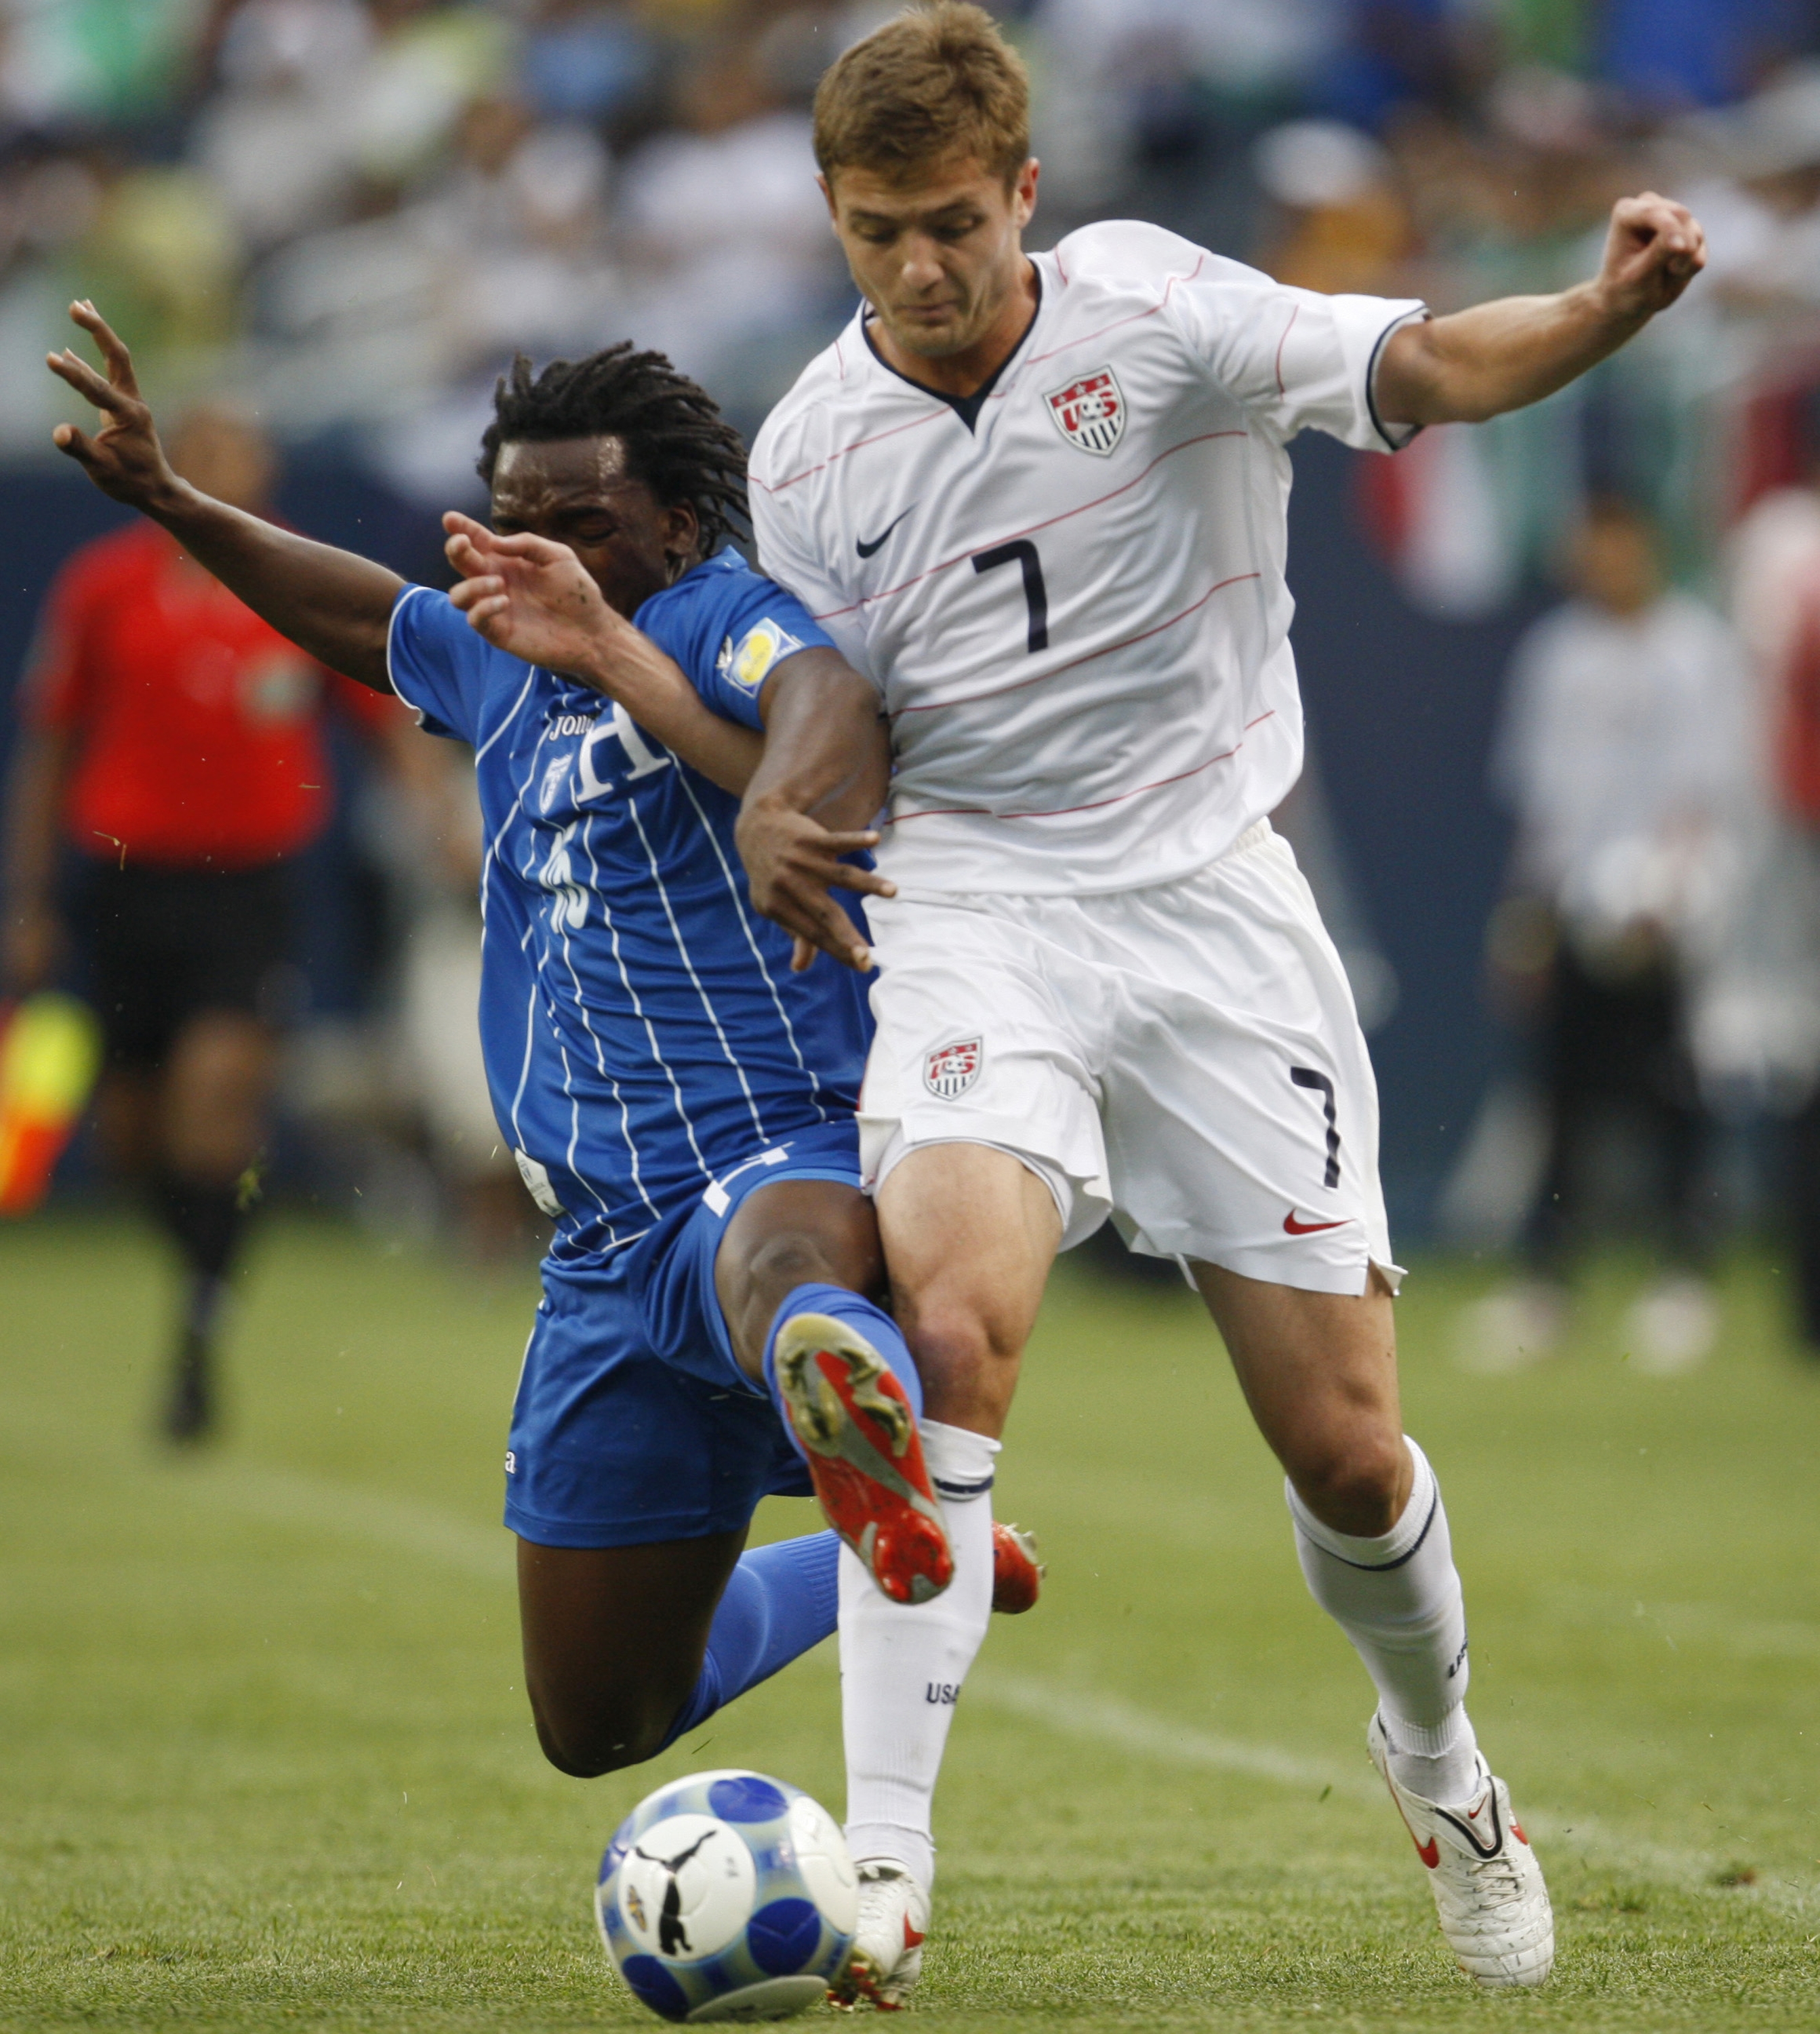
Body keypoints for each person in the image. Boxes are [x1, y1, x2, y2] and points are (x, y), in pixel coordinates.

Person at [725, 1, 1707, 1998]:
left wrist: (1599, 311)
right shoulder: (805, 451)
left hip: (1204, 906)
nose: (917, 269)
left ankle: (1439, 1765)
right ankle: (881, 1868)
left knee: (1345, 1453)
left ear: (1023, 191)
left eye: (948, 224)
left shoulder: (1157, 313)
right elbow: (830, 713)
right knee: (950, 1338)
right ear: (832, 221)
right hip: (975, 909)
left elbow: (1424, 364)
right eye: (873, 233)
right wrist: (777, 798)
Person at [42, 308, 1039, 1916]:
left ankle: (847, 1389)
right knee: (598, 1718)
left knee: (784, 1270)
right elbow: (358, 612)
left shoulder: (710, 612)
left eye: (584, 521)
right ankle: (913, 1538)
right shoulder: (490, 648)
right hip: (592, 1252)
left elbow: (823, 697)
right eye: (516, 522)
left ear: (677, 525)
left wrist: (784, 802)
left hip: (763, 1150)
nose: (547, 555)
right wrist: (174, 500)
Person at [0, 406, 407, 1441]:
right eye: (216, 452)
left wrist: (446, 819)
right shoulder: (104, 587)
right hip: (128, 881)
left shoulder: (298, 579)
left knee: (216, 1097)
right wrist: (32, 900)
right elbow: (51, 742)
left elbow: (384, 712)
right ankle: (201, 1265)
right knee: (134, 1135)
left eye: (249, 452)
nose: (238, 469)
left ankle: (197, 1333)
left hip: (251, 885)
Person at [1475, 498, 1752, 1373]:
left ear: (1649, 548)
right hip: (1572, 910)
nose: (1602, 563)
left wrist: (1668, 892)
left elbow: (1710, 787)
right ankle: (1545, 1282)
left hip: (1668, 916)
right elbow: (1541, 801)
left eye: (1617, 546)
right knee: (1560, 1099)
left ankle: (1684, 1279)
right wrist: (1527, 913)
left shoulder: (1696, 649)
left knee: (1673, 1097)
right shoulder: (1554, 653)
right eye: (1589, 548)